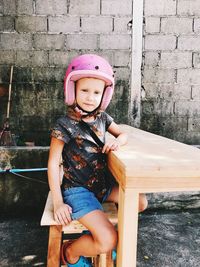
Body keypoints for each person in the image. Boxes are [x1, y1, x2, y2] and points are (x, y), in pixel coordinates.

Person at [48, 54, 148, 267]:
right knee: (107, 240)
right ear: (72, 89)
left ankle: (104, 240)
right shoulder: (63, 125)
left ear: (104, 95)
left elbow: (123, 134)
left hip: (101, 188)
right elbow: (52, 163)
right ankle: (71, 252)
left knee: (139, 201)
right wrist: (58, 202)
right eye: (85, 90)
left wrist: (117, 142)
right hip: (77, 191)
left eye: (96, 92)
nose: (90, 97)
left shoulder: (103, 118)